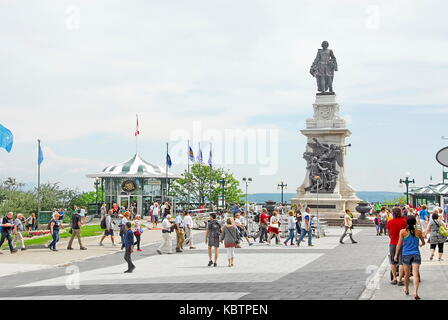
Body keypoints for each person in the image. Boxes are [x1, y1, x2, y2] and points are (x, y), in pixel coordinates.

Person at [395, 215, 425, 300]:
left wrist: (396, 255)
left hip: (406, 255)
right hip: (416, 254)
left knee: (407, 274)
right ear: (415, 222)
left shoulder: (402, 232)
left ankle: (407, 289)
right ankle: (415, 292)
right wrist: (419, 245)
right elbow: (423, 242)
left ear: (406, 222)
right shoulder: (418, 232)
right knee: (416, 274)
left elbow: (399, 244)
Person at [386, 207, 407, 286]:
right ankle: (400, 279)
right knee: (401, 262)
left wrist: (393, 238)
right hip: (403, 243)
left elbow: (389, 233)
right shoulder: (404, 221)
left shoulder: (390, 222)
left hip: (393, 243)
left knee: (393, 261)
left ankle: (394, 278)